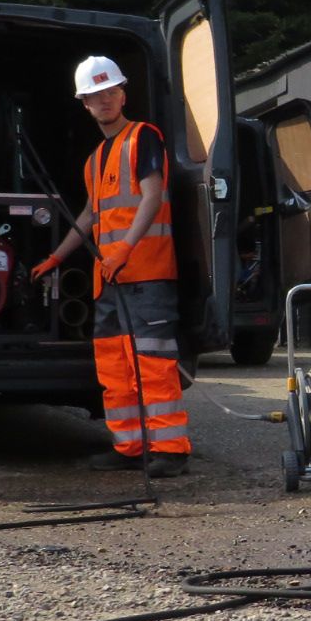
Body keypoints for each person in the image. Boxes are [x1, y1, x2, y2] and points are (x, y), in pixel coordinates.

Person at [32, 55, 193, 477]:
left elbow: (152, 196)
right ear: (84, 104)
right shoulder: (95, 160)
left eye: (110, 91)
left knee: (153, 365)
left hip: (148, 273)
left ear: (122, 94)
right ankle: (130, 447)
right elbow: (88, 215)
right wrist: (56, 257)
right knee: (114, 367)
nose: (103, 100)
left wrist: (126, 247)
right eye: (94, 95)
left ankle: (170, 451)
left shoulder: (145, 138)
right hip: (110, 279)